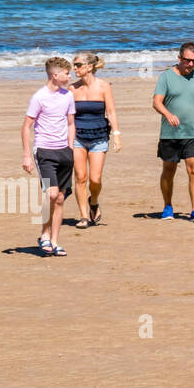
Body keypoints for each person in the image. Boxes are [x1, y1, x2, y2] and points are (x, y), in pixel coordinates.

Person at [152, 42, 194, 223]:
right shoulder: (166, 77)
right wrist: (168, 114)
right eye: (187, 60)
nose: (191, 64)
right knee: (169, 171)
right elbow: (156, 102)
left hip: (193, 133)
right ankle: (168, 207)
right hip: (170, 134)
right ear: (179, 59)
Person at [22, 57, 76, 256]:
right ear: (55, 75)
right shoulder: (39, 97)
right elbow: (26, 127)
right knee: (51, 195)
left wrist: (70, 147)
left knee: (60, 199)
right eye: (67, 73)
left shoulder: (68, 96)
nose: (70, 76)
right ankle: (44, 234)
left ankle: (54, 241)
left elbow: (71, 123)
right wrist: (27, 155)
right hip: (44, 151)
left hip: (64, 152)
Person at [70, 51, 120, 229]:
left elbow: (111, 112)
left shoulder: (104, 86)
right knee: (80, 177)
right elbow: (67, 116)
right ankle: (83, 216)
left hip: (99, 136)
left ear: (89, 67)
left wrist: (117, 135)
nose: (74, 68)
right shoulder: (72, 89)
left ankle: (94, 201)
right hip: (78, 137)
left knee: (95, 179)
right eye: (74, 65)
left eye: (78, 65)